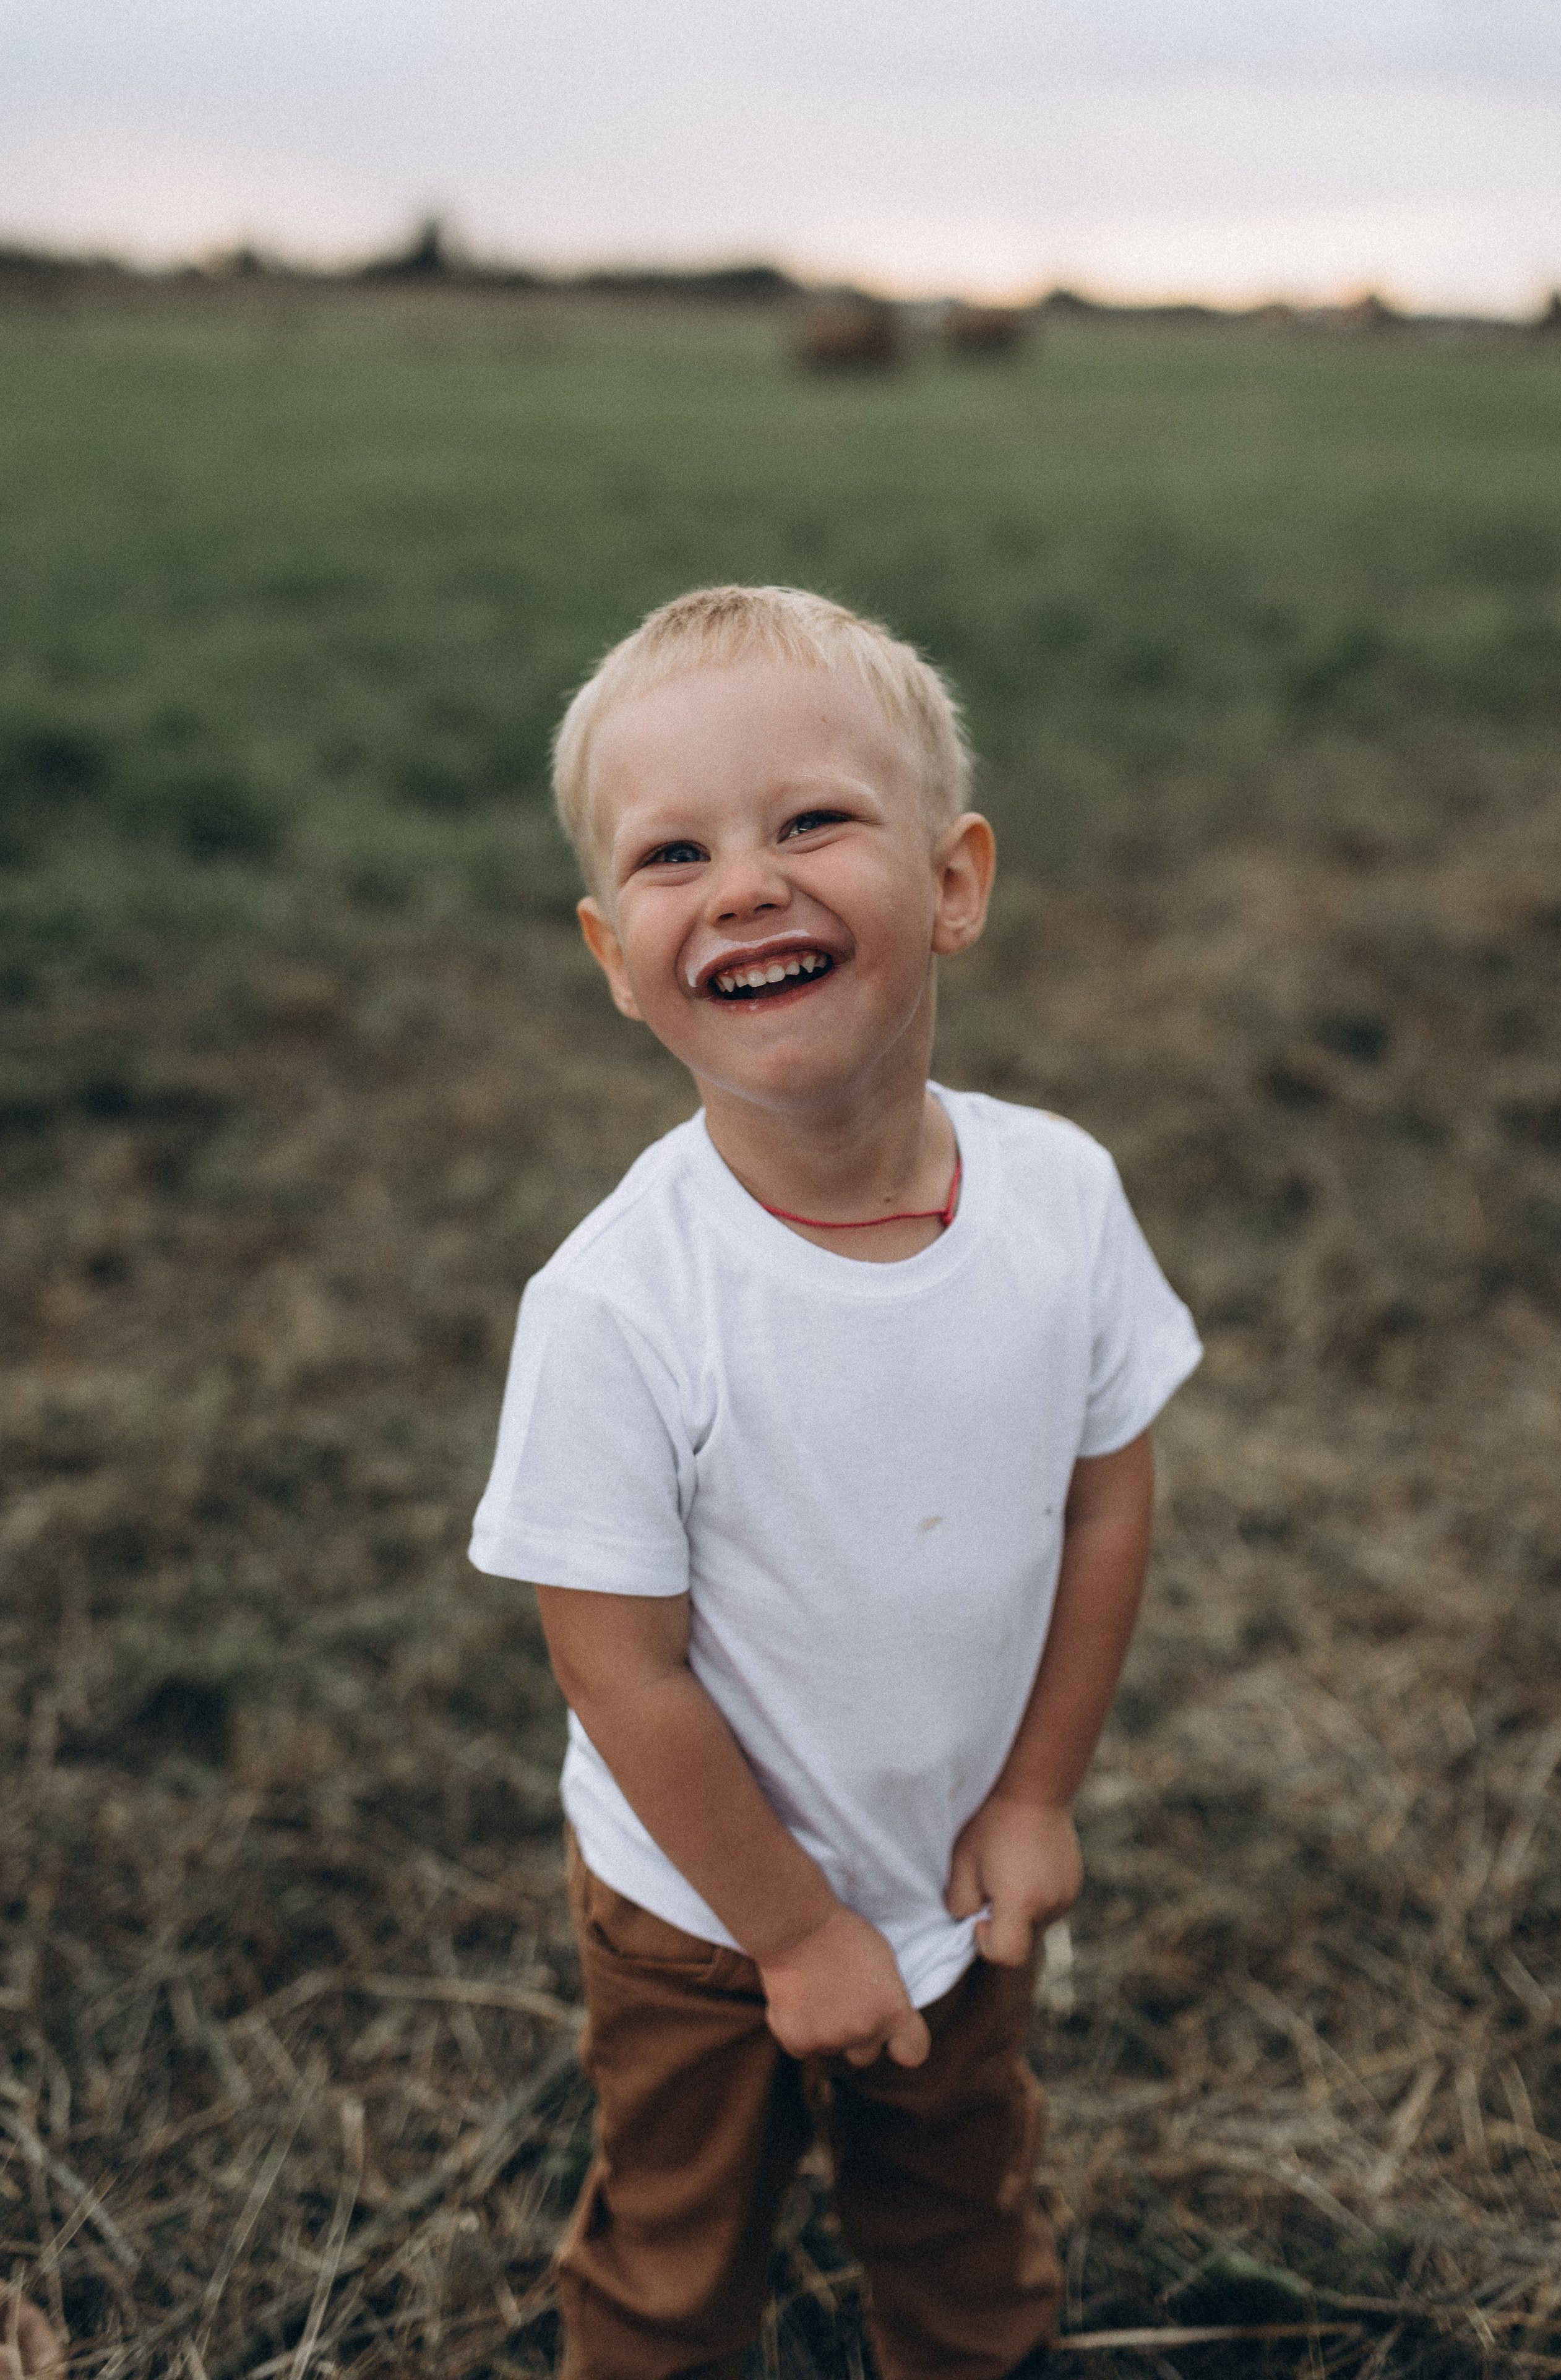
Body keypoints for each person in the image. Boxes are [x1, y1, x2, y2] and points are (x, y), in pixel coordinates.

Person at [471, 586, 1201, 2380]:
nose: (745, 883)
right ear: (615, 956)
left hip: (955, 1870)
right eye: (673, 855)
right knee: (673, 2255)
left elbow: (1109, 1497)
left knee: (965, 2226)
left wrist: (1033, 1795)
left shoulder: (1061, 1203)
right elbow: (617, 1670)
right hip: (703, 1913)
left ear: (954, 882)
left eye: (812, 822)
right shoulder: (621, 1305)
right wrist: (793, 1934)